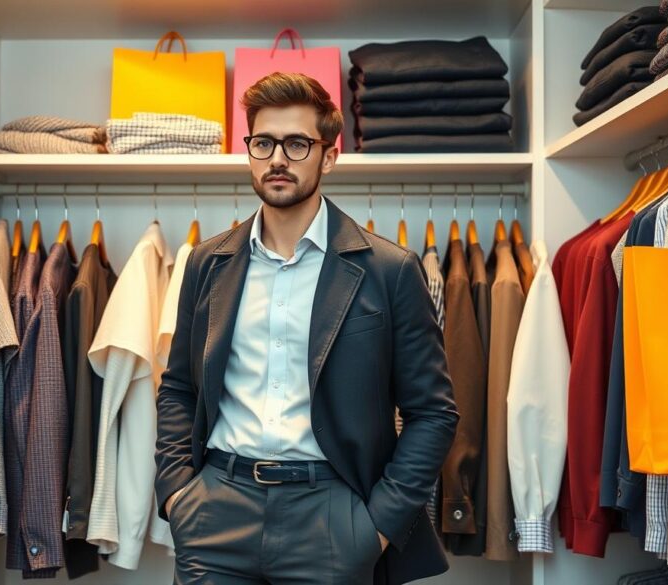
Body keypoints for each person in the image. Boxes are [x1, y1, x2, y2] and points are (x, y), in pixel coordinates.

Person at [155, 71, 459, 584]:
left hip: (333, 518)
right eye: (263, 142)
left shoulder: (390, 269)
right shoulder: (206, 264)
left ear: (329, 156)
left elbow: (432, 414)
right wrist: (177, 493)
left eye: (297, 143)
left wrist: (376, 526)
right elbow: (179, 388)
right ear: (248, 150)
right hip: (216, 513)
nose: (277, 158)